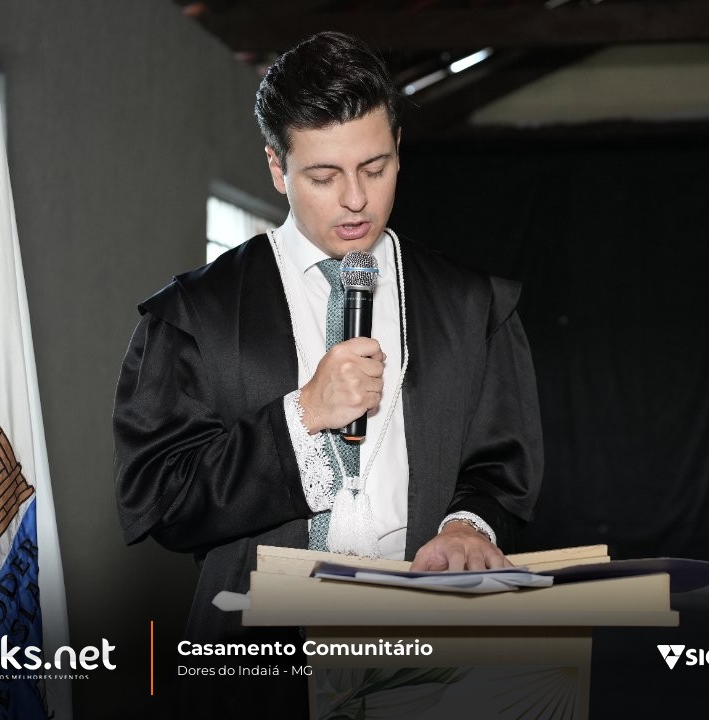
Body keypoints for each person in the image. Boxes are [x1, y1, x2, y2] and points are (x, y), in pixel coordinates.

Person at [113, 31, 542, 718]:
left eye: (375, 167)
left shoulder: (473, 306)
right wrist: (300, 418)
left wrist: (469, 526)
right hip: (258, 664)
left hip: (428, 656)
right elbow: (161, 501)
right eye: (322, 176)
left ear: (398, 144)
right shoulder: (195, 315)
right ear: (277, 168)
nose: (355, 201)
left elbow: (500, 467)